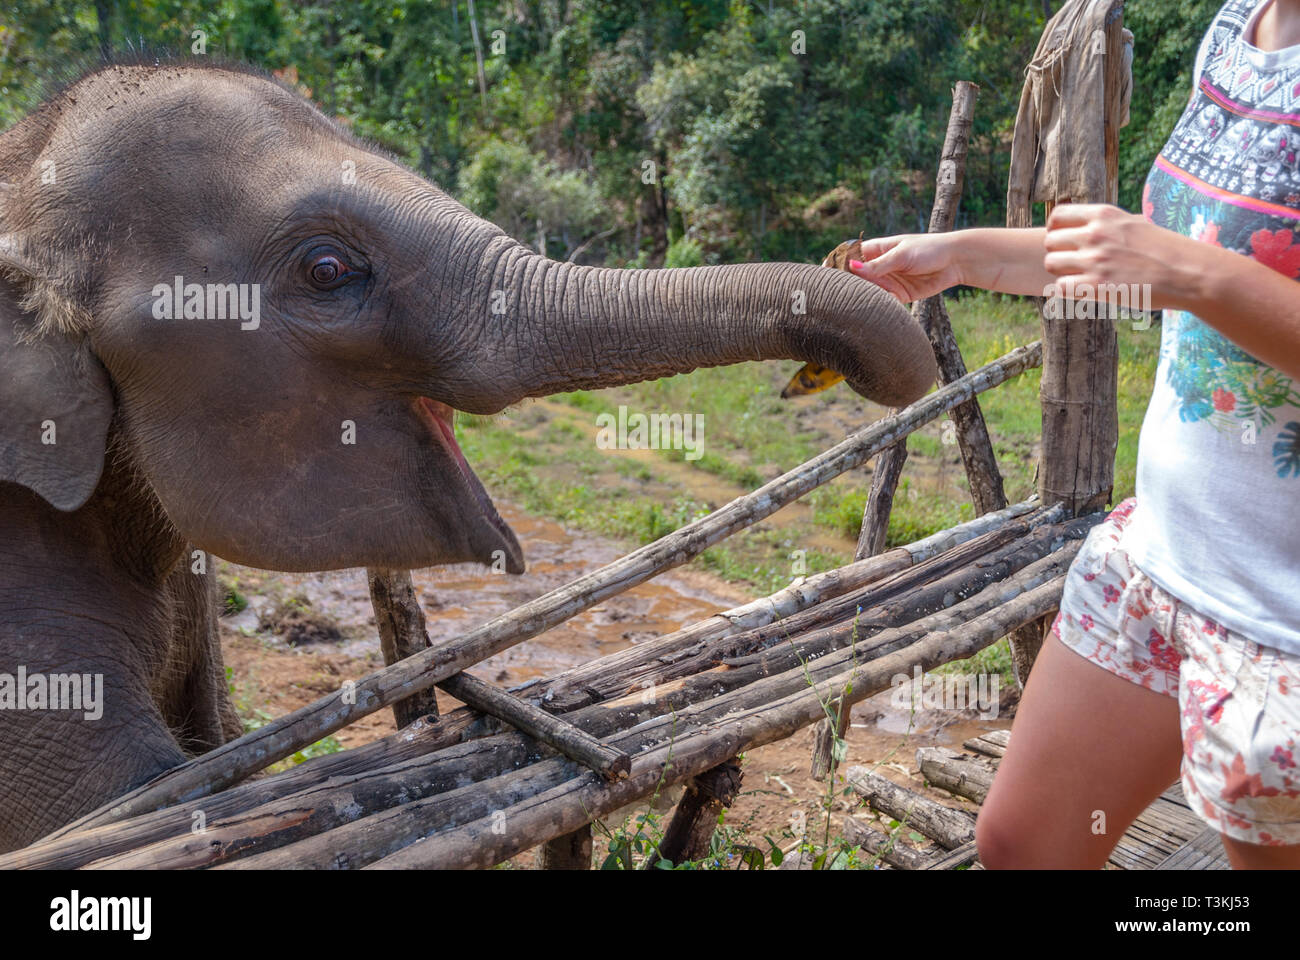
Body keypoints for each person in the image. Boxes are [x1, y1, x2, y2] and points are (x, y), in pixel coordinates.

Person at [848, 0, 1300, 868]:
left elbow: (1185, 268)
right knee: (1022, 845)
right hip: (1162, 559)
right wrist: (968, 256)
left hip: (1278, 618)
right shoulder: (1238, 30)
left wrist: (1195, 275)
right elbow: (1156, 259)